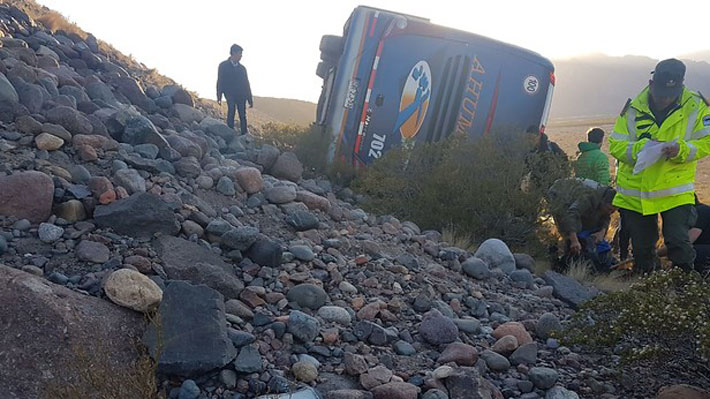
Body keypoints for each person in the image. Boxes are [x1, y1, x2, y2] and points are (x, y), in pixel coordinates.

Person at [608, 59, 710, 273]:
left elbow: (706, 141)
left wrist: (680, 150)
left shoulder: (697, 106)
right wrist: (641, 149)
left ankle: (686, 288)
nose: (664, 99)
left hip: (675, 190)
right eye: (660, 92)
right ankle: (646, 289)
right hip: (637, 193)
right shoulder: (633, 108)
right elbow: (616, 145)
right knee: (643, 250)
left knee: (678, 243)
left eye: (670, 95)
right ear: (651, 83)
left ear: (680, 86)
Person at [547, 178, 618, 272]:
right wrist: (574, 240)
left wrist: (602, 232)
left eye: (613, 211)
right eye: (609, 209)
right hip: (560, 196)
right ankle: (563, 263)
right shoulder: (588, 197)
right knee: (573, 232)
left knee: (589, 232)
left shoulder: (606, 199)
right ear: (602, 203)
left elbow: (606, 216)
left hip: (578, 202)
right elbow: (571, 215)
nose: (610, 212)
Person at [658, 195, 710, 271]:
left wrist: (654, 254)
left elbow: (685, 241)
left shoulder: (700, 211)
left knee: (684, 252)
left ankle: (684, 275)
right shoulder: (703, 210)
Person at [216, 44, 253, 135]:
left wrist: (250, 99)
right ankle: (230, 132)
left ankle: (244, 133)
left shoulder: (242, 69)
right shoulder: (223, 66)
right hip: (229, 93)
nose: (241, 56)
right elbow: (220, 81)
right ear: (233, 53)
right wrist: (219, 96)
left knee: (242, 114)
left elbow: (246, 83)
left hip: (241, 94)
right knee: (231, 110)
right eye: (239, 54)